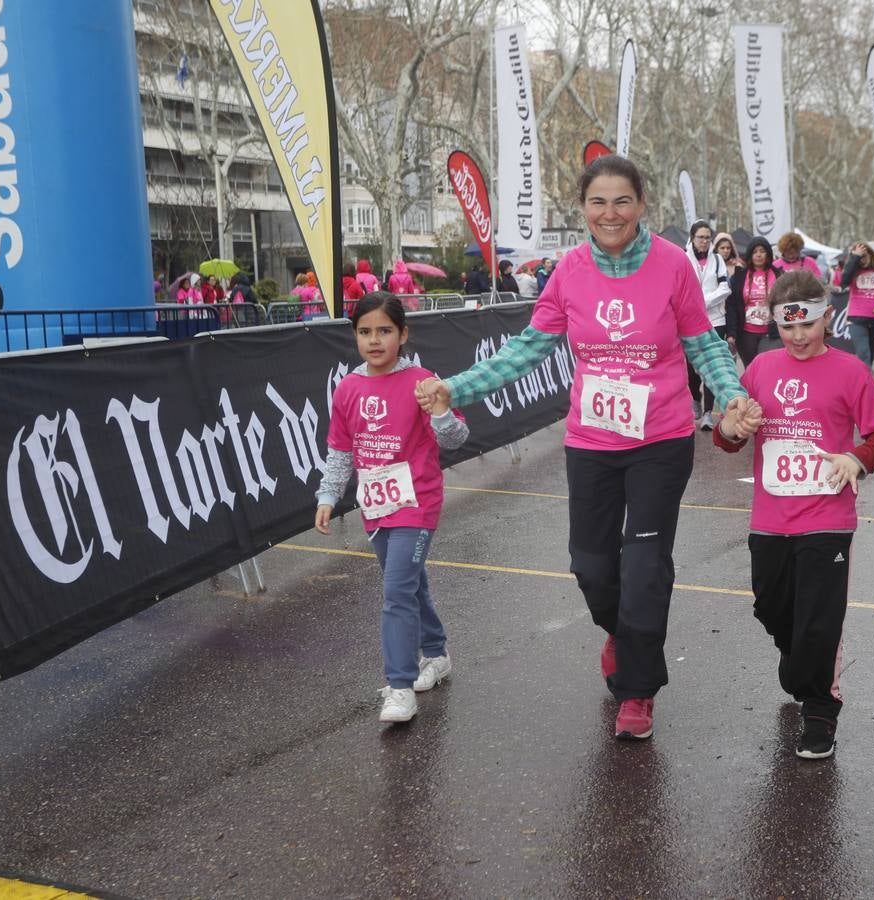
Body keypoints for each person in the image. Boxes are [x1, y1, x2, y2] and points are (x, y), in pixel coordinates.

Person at [413, 155, 758, 741]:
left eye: (622, 200)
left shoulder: (673, 266)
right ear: (583, 210)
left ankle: (637, 690)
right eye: (598, 202)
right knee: (592, 567)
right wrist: (456, 387)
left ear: (642, 205)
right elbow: (526, 350)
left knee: (646, 566)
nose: (610, 212)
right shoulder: (569, 270)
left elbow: (703, 344)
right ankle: (622, 634)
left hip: (660, 438)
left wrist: (729, 395)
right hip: (593, 441)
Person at [712, 270, 874, 759]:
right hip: (770, 518)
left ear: (827, 318)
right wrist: (730, 428)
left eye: (807, 325)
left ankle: (820, 711)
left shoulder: (851, 370)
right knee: (770, 606)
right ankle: (798, 660)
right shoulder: (760, 368)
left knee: (819, 618)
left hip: (828, 515)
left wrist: (855, 458)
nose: (797, 337)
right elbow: (729, 436)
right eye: (787, 327)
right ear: (775, 323)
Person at [315, 292, 470, 724]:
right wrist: (328, 496)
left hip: (417, 503)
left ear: (403, 334)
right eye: (365, 332)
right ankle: (436, 655)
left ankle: (399, 686)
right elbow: (341, 451)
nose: (374, 340)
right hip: (375, 506)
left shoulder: (422, 381)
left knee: (396, 591)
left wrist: (440, 412)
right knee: (410, 584)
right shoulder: (347, 388)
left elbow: (455, 439)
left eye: (384, 331)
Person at [684, 220, 732, 430]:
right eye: (700, 237)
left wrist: (704, 301)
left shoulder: (718, 260)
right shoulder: (683, 258)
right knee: (691, 368)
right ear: (692, 238)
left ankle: (707, 414)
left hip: (715, 319)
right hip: (689, 320)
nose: (704, 241)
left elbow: (725, 288)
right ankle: (695, 397)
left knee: (712, 365)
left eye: (707, 237)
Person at [726, 236, 781, 366]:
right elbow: (732, 306)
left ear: (768, 253)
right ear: (750, 255)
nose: (759, 255)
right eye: (755, 252)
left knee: (767, 367)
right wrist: (731, 333)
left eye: (762, 251)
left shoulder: (779, 274)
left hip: (771, 332)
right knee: (751, 368)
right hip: (746, 333)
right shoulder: (739, 276)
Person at [842, 241, 874, 368]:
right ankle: (865, 386)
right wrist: (855, 257)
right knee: (863, 354)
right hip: (856, 318)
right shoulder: (852, 271)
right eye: (859, 257)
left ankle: (864, 381)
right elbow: (844, 282)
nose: (862, 260)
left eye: (864, 256)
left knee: (870, 355)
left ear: (871, 255)